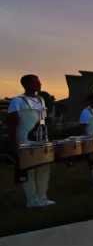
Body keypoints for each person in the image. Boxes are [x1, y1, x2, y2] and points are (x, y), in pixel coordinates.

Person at [6, 74, 55, 207]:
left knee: (44, 169)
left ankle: (43, 197)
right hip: (25, 141)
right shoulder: (17, 101)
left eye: (39, 81)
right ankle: (32, 201)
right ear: (26, 84)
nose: (40, 84)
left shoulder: (41, 100)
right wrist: (14, 145)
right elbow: (11, 124)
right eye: (36, 82)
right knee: (29, 170)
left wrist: (44, 131)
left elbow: (43, 119)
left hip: (42, 140)